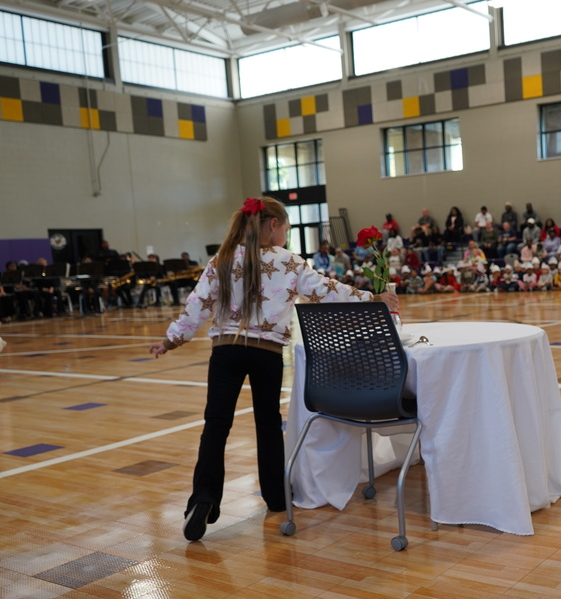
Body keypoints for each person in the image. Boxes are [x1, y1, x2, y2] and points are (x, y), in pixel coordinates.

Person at [148, 197, 397, 542]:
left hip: (226, 352)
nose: (287, 236)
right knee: (267, 424)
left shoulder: (221, 259)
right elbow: (326, 290)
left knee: (216, 425)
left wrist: (172, 340)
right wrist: (373, 298)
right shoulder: (289, 262)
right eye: (287, 229)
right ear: (273, 225)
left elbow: (198, 306)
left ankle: (203, 498)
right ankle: (276, 497)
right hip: (266, 354)